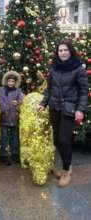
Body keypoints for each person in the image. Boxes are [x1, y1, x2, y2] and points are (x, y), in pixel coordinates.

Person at [38, 41, 88, 187]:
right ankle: (68, 164)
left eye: (66, 50)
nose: (63, 52)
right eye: (60, 50)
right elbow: (49, 89)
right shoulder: (54, 69)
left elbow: (83, 91)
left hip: (69, 109)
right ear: (57, 53)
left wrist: (80, 109)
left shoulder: (78, 69)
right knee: (56, 140)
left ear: (70, 51)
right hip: (54, 109)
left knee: (64, 140)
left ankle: (66, 171)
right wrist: (43, 103)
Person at [0, 71, 24, 165]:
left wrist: (17, 105)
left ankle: (15, 155)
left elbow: (21, 101)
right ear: (6, 81)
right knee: (4, 137)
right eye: (9, 81)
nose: (11, 83)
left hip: (14, 118)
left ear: (15, 82)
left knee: (14, 137)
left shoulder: (18, 91)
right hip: (4, 117)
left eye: (13, 81)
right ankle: (4, 156)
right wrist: (4, 109)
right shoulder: (1, 90)